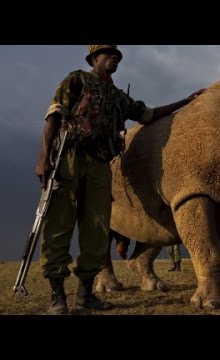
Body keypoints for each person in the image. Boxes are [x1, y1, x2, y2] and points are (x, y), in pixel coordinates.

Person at [35, 45, 205, 314]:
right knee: (59, 225)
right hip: (69, 158)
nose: (114, 57)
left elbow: (149, 114)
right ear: (94, 59)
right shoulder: (76, 80)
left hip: (102, 165)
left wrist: (187, 100)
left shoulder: (117, 97)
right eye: (107, 53)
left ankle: (85, 297)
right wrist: (44, 157)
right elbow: (53, 116)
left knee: (97, 230)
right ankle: (58, 297)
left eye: (117, 54)